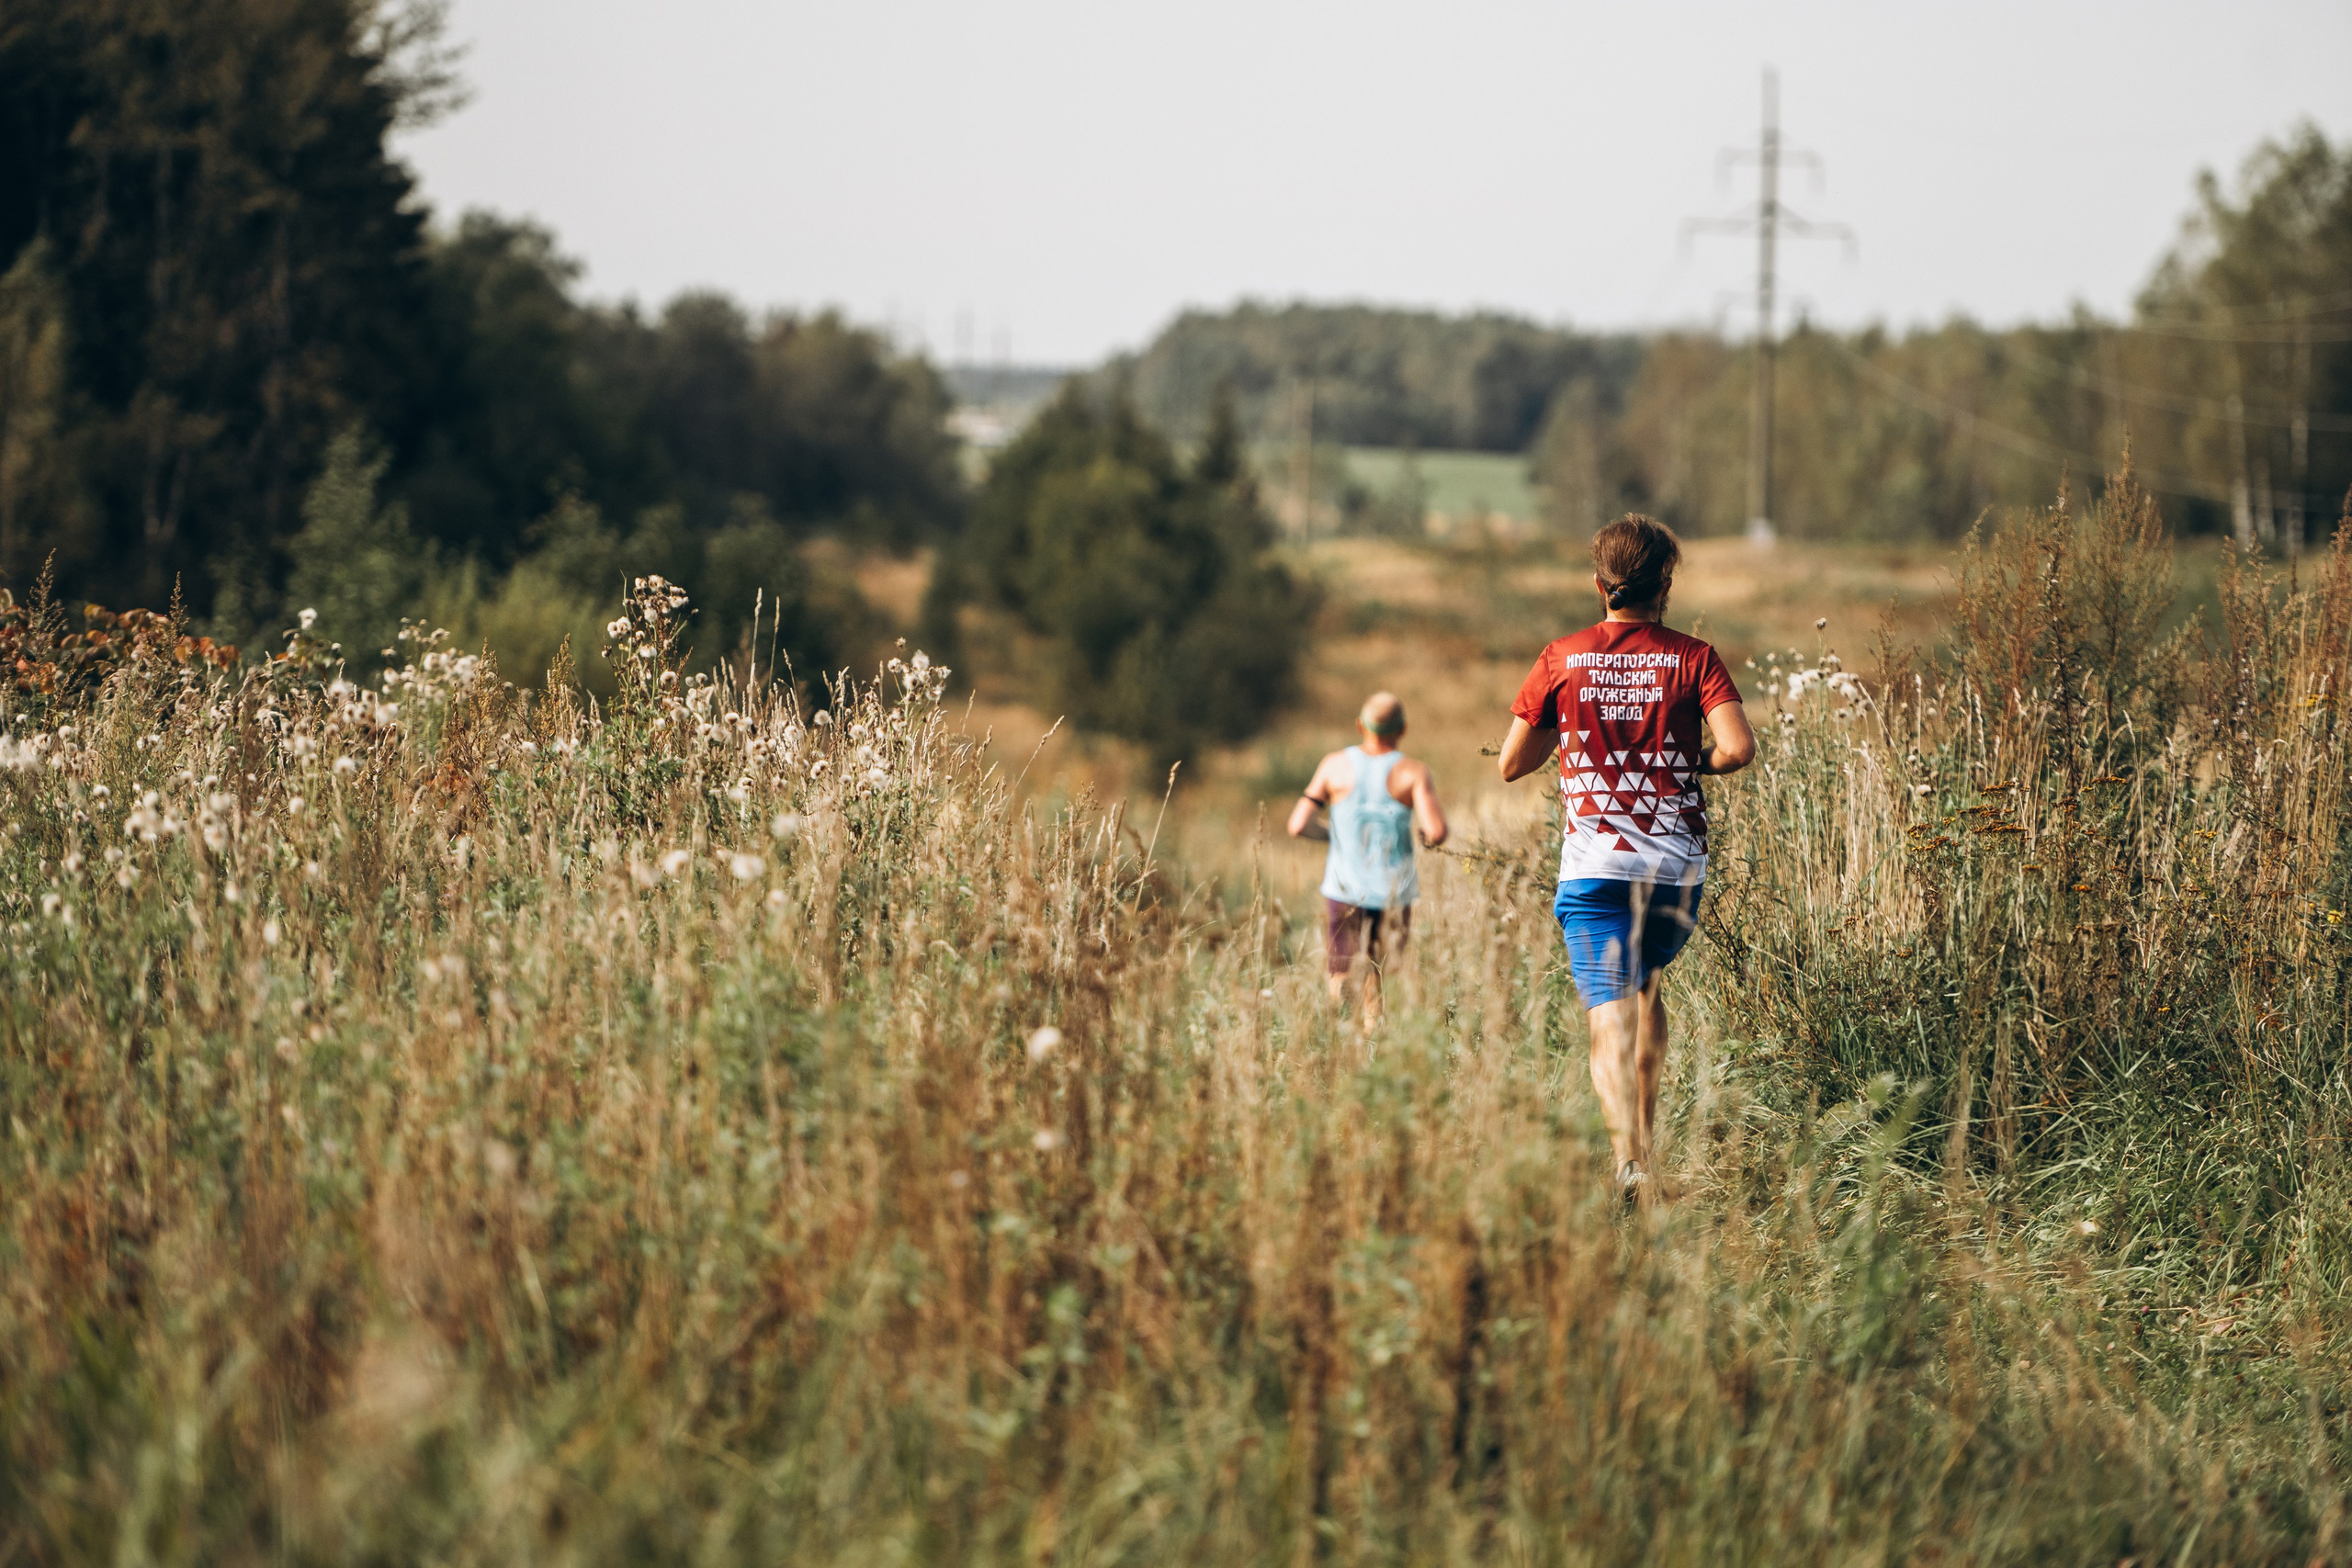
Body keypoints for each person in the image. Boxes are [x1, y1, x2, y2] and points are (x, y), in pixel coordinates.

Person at [1495, 515, 1755, 1205]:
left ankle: (1629, 1167)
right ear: (1665, 583)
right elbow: (1738, 748)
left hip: (1595, 867)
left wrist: (1575, 731)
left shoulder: (1562, 657)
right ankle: (1645, 1151)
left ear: (1599, 583)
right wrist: (1689, 760)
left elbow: (1512, 763)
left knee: (1609, 1009)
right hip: (1674, 868)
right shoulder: (1694, 657)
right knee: (1646, 987)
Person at [1288, 692, 1448, 1026]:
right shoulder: (1414, 772)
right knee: (1382, 977)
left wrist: (1334, 835)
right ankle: (1375, 1038)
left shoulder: (1333, 766)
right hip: (1394, 894)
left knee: (1341, 974)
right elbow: (1436, 831)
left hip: (1345, 891)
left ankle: (1344, 1035)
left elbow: (1298, 825)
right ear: (1403, 729)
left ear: (1360, 726)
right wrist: (1423, 836)